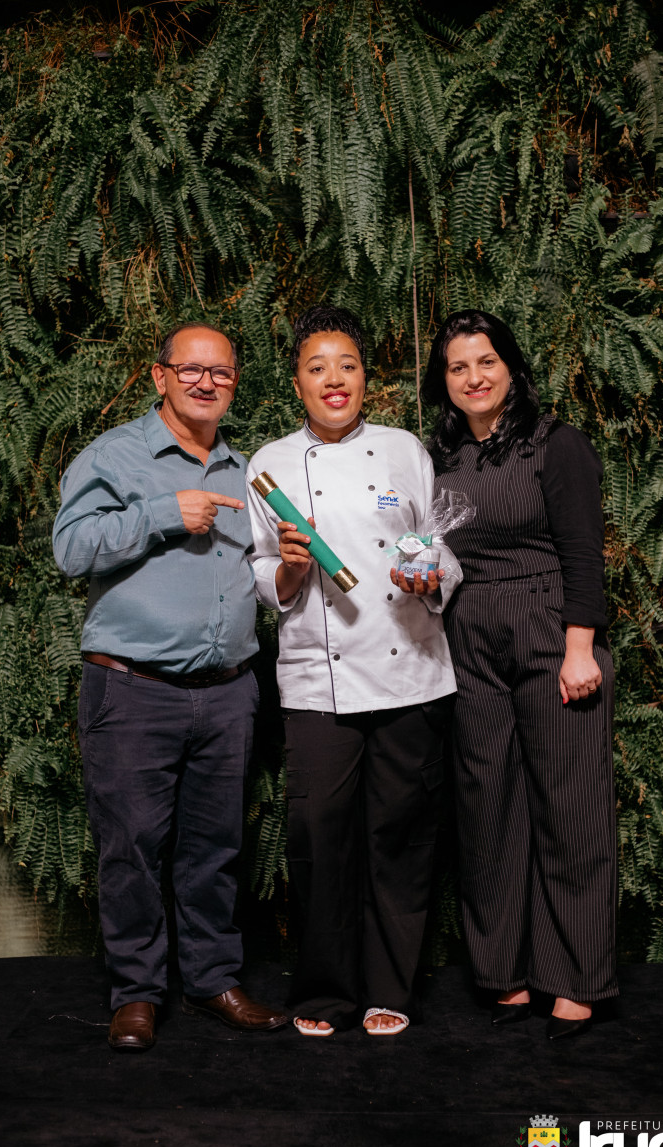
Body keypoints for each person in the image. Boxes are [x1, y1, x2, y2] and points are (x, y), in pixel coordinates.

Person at [52, 322, 288, 1051]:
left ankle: (213, 979)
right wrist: (161, 514)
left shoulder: (246, 471)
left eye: (221, 372)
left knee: (215, 849)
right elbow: (70, 548)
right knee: (130, 848)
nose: (205, 382)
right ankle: (136, 993)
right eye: (190, 369)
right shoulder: (114, 455)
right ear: (160, 376)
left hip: (228, 693)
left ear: (235, 383)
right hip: (133, 691)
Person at [247, 305, 460, 1037]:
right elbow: (259, 572)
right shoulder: (268, 464)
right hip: (318, 677)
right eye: (317, 367)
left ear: (367, 377)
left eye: (348, 365)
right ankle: (324, 995)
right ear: (297, 383)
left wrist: (431, 575)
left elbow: (435, 544)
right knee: (319, 836)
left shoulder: (404, 449)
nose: (334, 379)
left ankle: (389, 991)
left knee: (400, 836)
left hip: (411, 669)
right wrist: (288, 568)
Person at [422, 309, 617, 1040]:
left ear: (511, 367)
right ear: (443, 381)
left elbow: (584, 552)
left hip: (549, 629)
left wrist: (579, 647)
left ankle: (575, 979)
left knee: (570, 810)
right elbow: (424, 546)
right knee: (488, 806)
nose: (474, 378)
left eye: (487, 362)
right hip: (467, 635)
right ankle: (503, 971)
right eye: (458, 367)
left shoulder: (555, 443)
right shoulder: (439, 456)